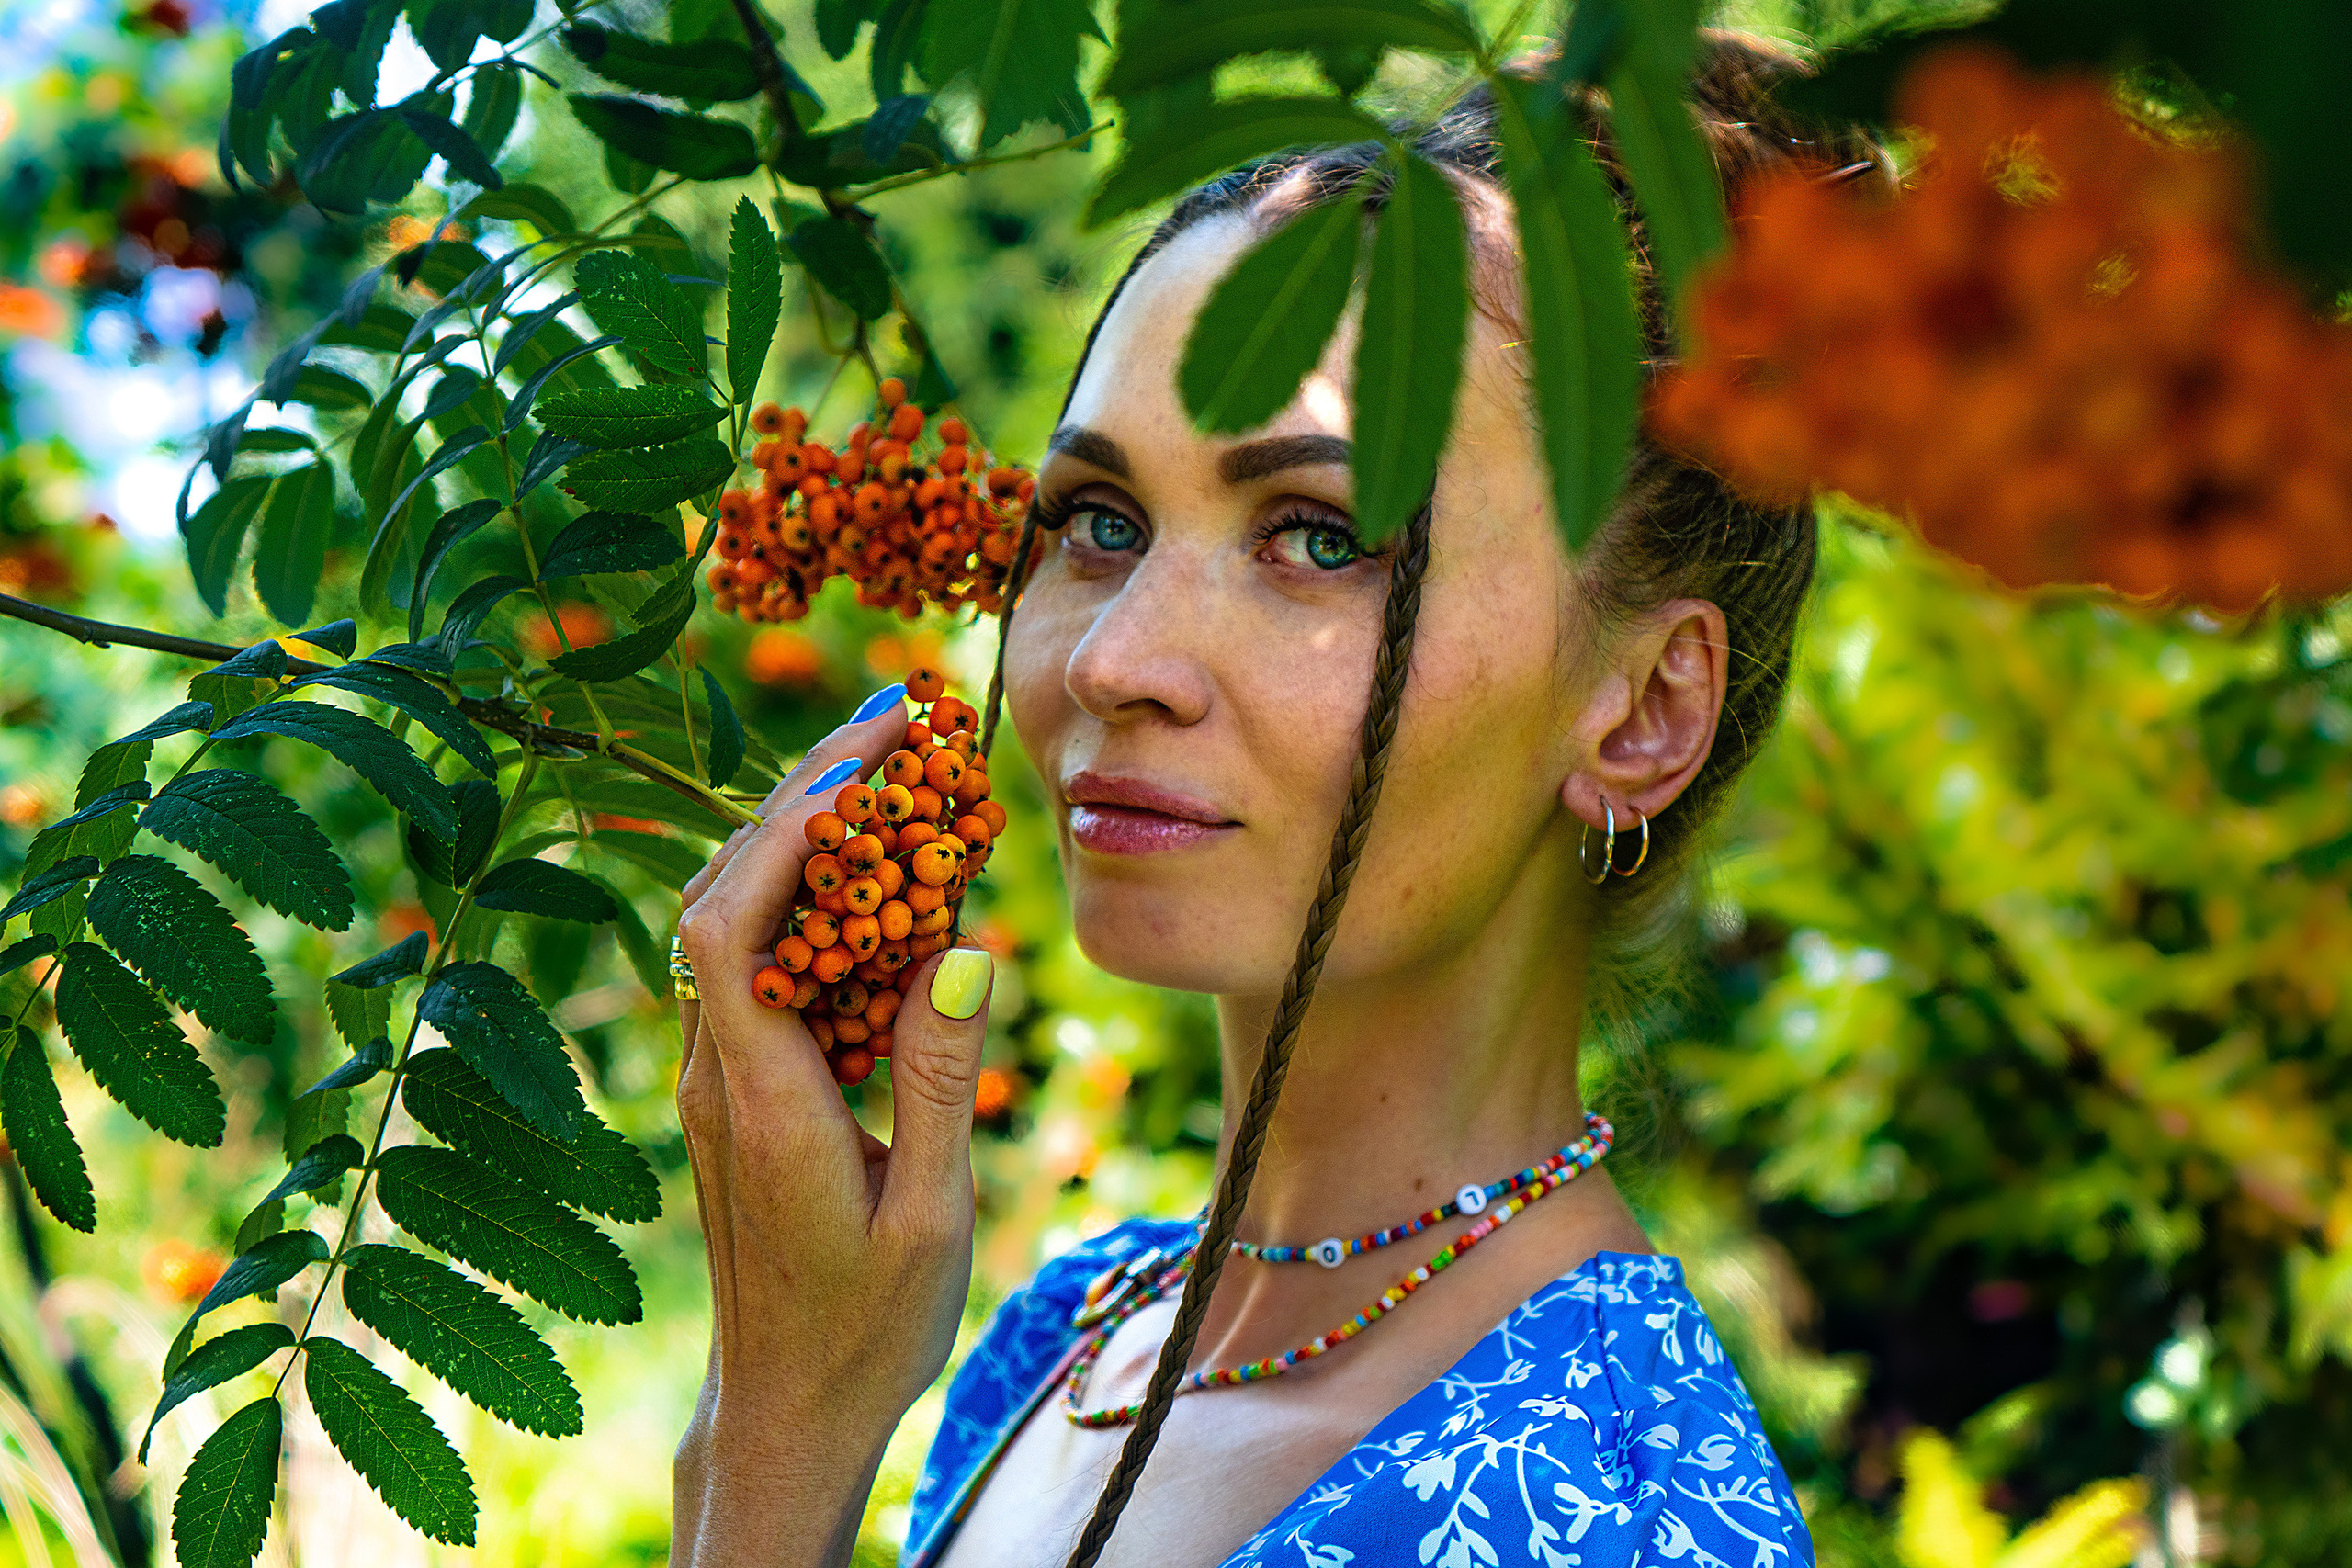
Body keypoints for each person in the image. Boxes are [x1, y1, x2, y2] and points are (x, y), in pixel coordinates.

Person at [670, 34, 1876, 1568]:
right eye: (1099, 520)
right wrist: (777, 1415)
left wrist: (774, 1449)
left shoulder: (1609, 1508)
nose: (1114, 659)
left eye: (1317, 538)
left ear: (1642, 713)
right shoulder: (1061, 1340)